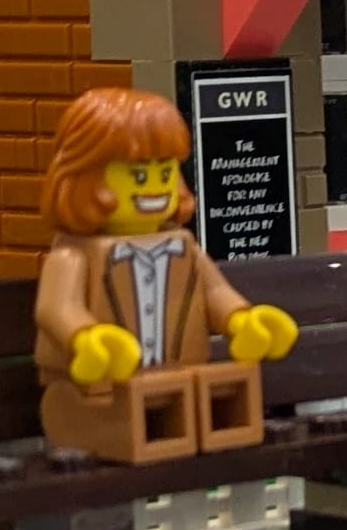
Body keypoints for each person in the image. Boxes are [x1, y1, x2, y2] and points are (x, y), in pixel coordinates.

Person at [35, 87, 299, 463]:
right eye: (139, 176)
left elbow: (213, 293)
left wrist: (241, 319)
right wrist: (87, 337)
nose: (156, 188)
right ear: (85, 176)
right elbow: (56, 308)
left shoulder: (183, 248)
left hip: (184, 382)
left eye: (165, 172)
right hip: (97, 390)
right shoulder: (73, 255)